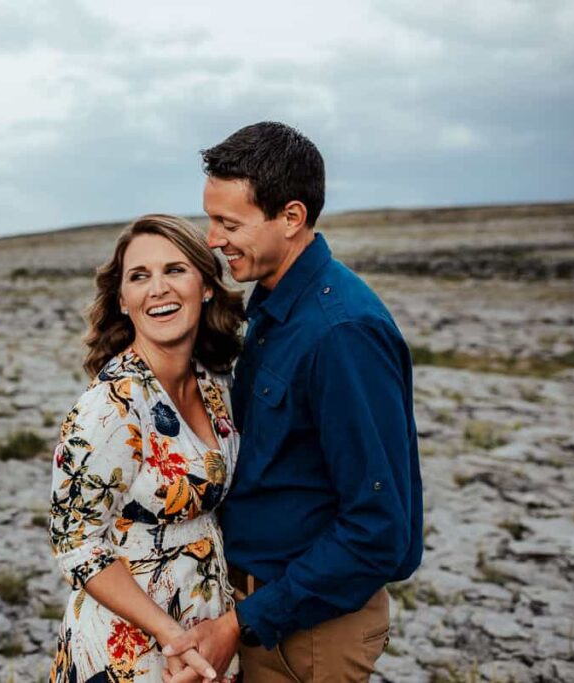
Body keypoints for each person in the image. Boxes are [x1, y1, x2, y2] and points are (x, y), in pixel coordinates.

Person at [163, 122, 423, 682]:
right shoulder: (276, 307)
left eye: (229, 223)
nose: (212, 239)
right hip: (265, 612)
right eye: (211, 219)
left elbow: (379, 528)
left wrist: (243, 621)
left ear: (292, 218)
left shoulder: (340, 333)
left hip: (309, 633)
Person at [48, 214, 247, 682]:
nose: (158, 288)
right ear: (123, 300)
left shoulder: (214, 386)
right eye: (140, 276)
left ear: (206, 286)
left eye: (174, 270)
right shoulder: (110, 407)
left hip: (206, 629)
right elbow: (75, 541)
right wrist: (169, 634)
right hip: (130, 643)